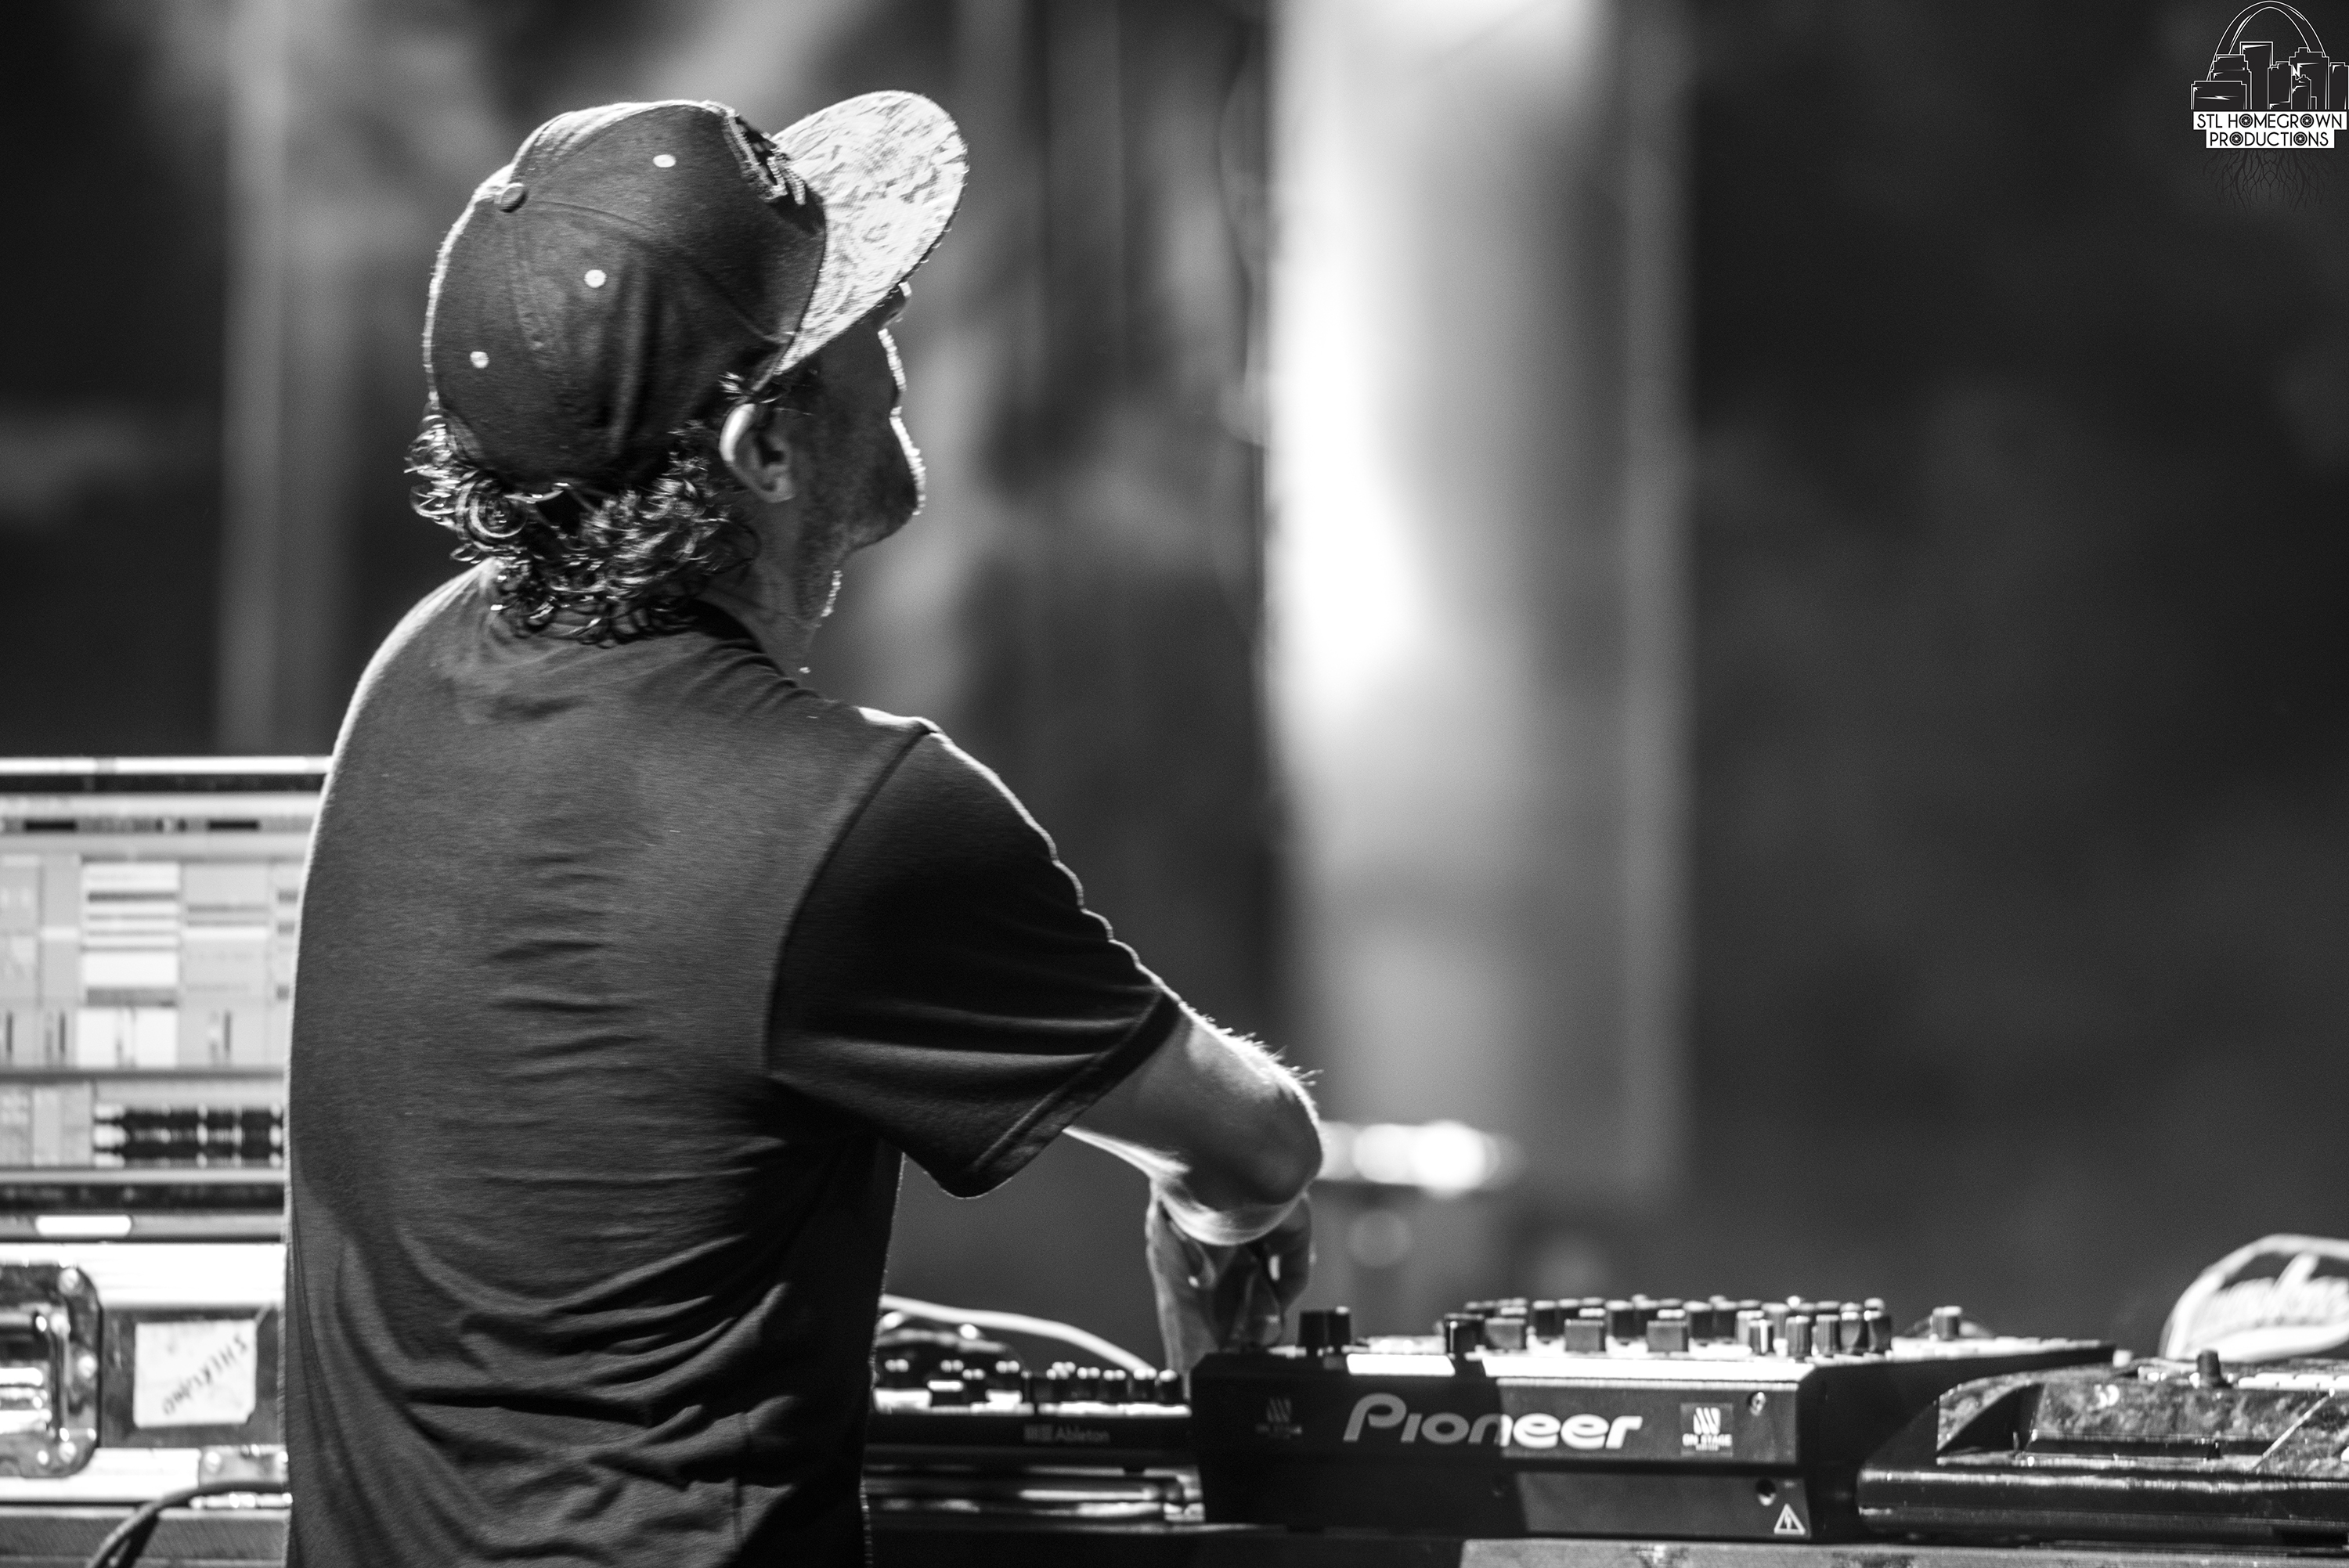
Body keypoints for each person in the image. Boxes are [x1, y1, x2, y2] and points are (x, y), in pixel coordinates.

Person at [283, 93, 1319, 1568]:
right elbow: (1257, 1148)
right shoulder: (854, 820)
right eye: (856, 318)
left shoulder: (421, 669)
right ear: (764, 447)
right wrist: (1222, 1263)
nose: (897, 332)